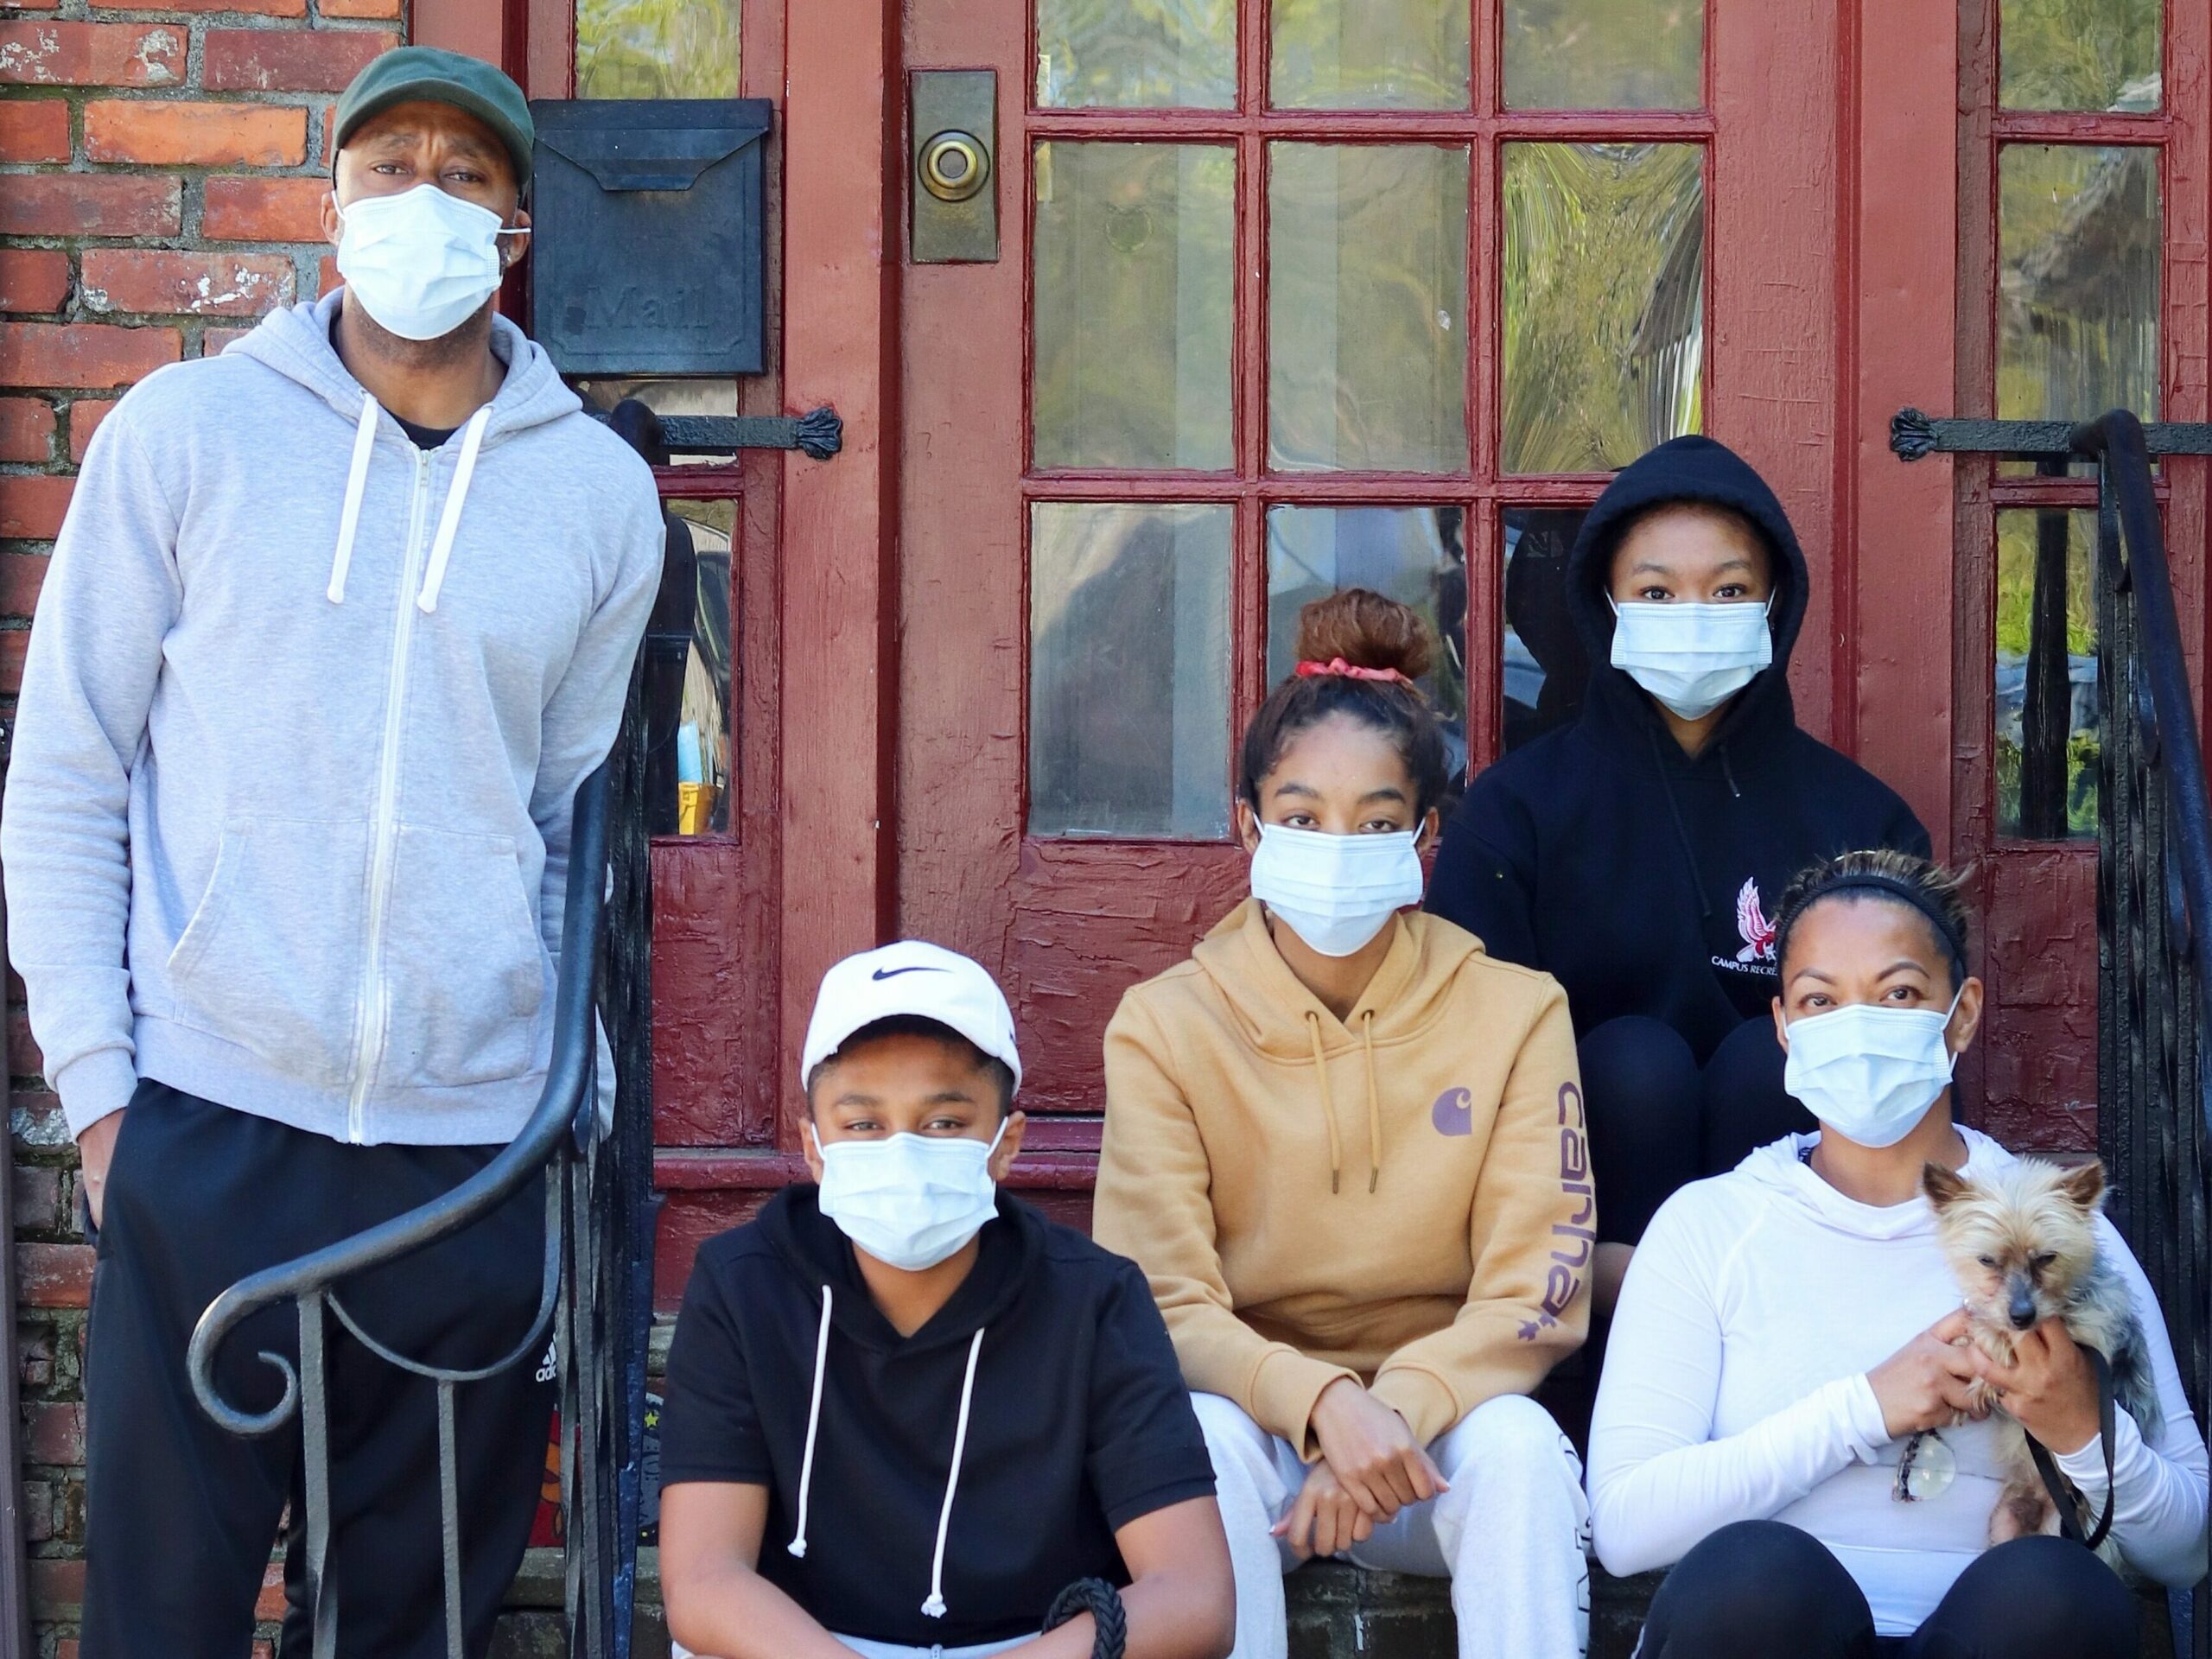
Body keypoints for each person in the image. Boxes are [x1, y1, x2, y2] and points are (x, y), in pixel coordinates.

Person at [1, 48, 666, 1656]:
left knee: (413, 1630)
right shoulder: (186, 436)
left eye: (464, 174)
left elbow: (572, 828)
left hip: (470, 1158)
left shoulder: (596, 499)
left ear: (515, 226)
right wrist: (103, 1102)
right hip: (211, 1124)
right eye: (388, 169)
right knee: (165, 1622)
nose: (421, 200)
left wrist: (559, 1092)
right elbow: (65, 776)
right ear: (330, 211)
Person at [1094, 591, 1594, 1659]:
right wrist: (1323, 1408)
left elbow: (1535, 1290)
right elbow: (1160, 1300)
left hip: (1436, 1436)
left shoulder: (1514, 1011)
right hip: (1260, 1445)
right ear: (1247, 825)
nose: (1337, 846)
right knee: (1204, 1438)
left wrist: (1391, 1413)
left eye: (1375, 822)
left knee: (1521, 1451)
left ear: (1424, 836)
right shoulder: (1164, 1025)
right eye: (1301, 815)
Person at [1587, 851, 2208, 1658]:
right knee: (1753, 1579)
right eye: (1820, 1000)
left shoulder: (2057, 1234)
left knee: (2057, 1593)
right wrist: (1864, 1408)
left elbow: (2189, 1544)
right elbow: (1626, 1526)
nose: (1858, 1026)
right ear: (1783, 1028)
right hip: (1772, 1630)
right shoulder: (1710, 1226)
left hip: (1993, 1633)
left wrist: (2085, 1434)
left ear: (1963, 1014)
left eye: (1899, 994)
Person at [1426, 436, 1930, 1307]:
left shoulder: (1862, 825)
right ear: (1605, 606)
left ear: (1774, 604)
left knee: (1761, 1062)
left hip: (1803, 1272)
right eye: (1656, 592)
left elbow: (1910, 1064)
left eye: (1728, 590)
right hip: (1584, 1266)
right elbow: (1468, 1065)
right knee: (1634, 1063)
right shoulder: (1516, 813)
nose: (1692, 613)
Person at [658, 942, 1234, 1659]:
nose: (901, 1151)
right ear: (813, 1148)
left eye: (944, 1124)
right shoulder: (743, 1285)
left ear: (1006, 1143)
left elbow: (1192, 1594)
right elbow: (706, 1582)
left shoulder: (1095, 1300)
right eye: (863, 1124)